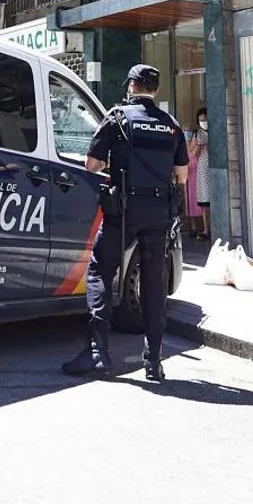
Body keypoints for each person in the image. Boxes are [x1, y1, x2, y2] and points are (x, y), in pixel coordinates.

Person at [62, 64, 189, 382]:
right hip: (159, 212)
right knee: (153, 282)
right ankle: (154, 362)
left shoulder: (117, 117)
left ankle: (97, 353)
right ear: (155, 90)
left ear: (132, 86)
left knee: (100, 271)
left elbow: (91, 165)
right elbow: (182, 175)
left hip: (124, 209)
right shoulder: (171, 125)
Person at [187, 107, 210, 241]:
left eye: (205, 120)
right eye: (201, 120)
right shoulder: (197, 134)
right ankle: (206, 229)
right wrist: (199, 147)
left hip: (212, 167)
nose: (203, 122)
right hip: (202, 169)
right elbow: (192, 154)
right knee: (204, 201)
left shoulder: (216, 131)